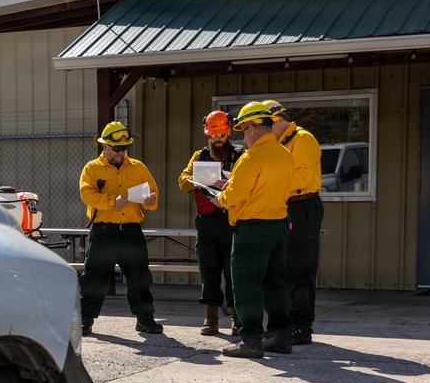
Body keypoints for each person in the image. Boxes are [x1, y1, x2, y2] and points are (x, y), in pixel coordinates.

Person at [214, 102, 294, 358]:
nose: (243, 136)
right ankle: (281, 336)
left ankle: (250, 340)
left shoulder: (251, 157)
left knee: (247, 284)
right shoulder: (284, 154)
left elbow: (236, 196)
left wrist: (220, 199)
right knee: (276, 283)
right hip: (278, 226)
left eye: (242, 130)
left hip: (252, 228)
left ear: (251, 128)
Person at [79, 121, 163, 336]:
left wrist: (150, 199)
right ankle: (84, 320)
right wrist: (110, 201)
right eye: (117, 148)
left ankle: (145, 319)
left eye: (124, 148)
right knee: (95, 277)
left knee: (139, 276)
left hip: (131, 230)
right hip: (104, 231)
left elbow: (152, 192)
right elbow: (86, 195)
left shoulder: (138, 167)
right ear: (104, 146)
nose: (121, 152)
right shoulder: (92, 168)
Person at [264, 100, 324, 346]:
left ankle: (301, 326)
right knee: (282, 266)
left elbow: (303, 176)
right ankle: (285, 323)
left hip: (302, 206)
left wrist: (267, 183)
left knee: (300, 265)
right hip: (284, 205)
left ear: (279, 120)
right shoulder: (278, 143)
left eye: (267, 126)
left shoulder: (302, 139)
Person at [178, 110, 243, 336]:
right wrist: (197, 180)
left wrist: (229, 182)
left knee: (234, 269)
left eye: (222, 134)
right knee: (208, 268)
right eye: (213, 135)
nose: (217, 139)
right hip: (206, 221)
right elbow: (182, 182)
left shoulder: (241, 155)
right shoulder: (200, 155)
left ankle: (238, 317)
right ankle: (211, 318)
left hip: (233, 219)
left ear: (229, 131)